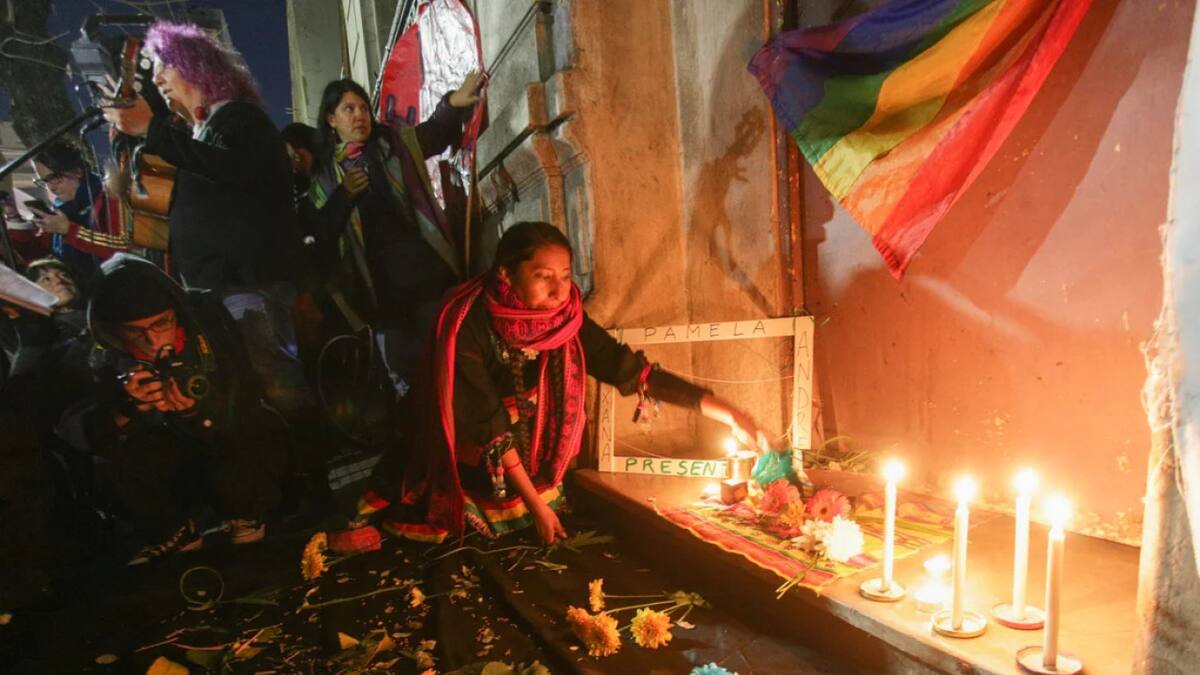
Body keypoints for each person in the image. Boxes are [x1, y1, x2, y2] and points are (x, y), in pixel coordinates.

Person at [354, 222, 774, 544]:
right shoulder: (467, 324)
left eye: (565, 275)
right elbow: (487, 420)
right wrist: (538, 508)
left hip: (516, 446)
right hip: (465, 432)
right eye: (543, 276)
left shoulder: (565, 319)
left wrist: (727, 412)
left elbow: (623, 367)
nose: (559, 290)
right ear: (507, 276)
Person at [100, 21, 314, 420]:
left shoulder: (239, 119)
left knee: (277, 382)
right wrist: (131, 134)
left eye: (165, 66)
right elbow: (153, 197)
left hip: (250, 284)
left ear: (196, 66)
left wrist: (151, 127)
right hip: (216, 287)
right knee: (248, 387)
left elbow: (231, 169)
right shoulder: (197, 132)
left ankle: (310, 462)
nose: (158, 78)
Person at [82, 254, 288, 564]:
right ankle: (173, 531)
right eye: (135, 332)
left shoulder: (209, 324)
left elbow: (246, 398)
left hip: (216, 444)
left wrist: (197, 411)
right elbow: (82, 431)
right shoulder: (99, 358)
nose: (152, 340)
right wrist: (127, 409)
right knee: (105, 458)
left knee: (253, 428)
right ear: (112, 330)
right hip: (165, 458)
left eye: (160, 324)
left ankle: (244, 512)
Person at [309, 75, 482, 396]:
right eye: (348, 109)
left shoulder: (394, 147)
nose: (359, 115)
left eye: (363, 107)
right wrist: (343, 197)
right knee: (408, 379)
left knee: (452, 365)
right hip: (380, 296)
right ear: (331, 119)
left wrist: (452, 104)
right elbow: (321, 234)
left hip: (425, 276)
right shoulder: (324, 181)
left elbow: (433, 135)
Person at [21, 141, 127, 287]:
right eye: (45, 181)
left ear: (77, 172)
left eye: (55, 177)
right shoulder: (62, 211)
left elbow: (122, 249)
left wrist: (69, 230)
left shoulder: (109, 198)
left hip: (116, 287)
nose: (52, 187)